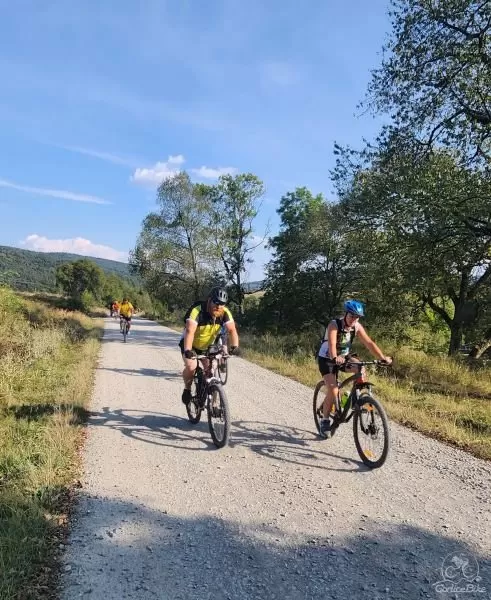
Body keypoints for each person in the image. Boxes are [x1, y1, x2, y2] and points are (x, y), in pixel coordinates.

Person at [317, 299, 392, 438]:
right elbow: (332, 343)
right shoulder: (334, 324)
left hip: (343, 357)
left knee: (361, 367)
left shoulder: (356, 327)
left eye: (357, 317)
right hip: (327, 359)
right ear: (346, 314)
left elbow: (369, 343)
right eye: (352, 316)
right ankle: (325, 420)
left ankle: (357, 400)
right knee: (333, 390)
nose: (354, 319)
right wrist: (335, 357)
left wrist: (382, 357)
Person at [179, 287, 239, 404]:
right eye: (216, 302)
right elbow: (190, 331)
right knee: (191, 367)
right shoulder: (197, 311)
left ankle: (211, 400)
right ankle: (187, 389)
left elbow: (232, 330)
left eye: (222, 304)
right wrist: (187, 350)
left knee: (211, 370)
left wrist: (234, 346)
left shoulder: (224, 313)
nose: (219, 306)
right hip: (190, 344)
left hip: (207, 346)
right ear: (209, 300)